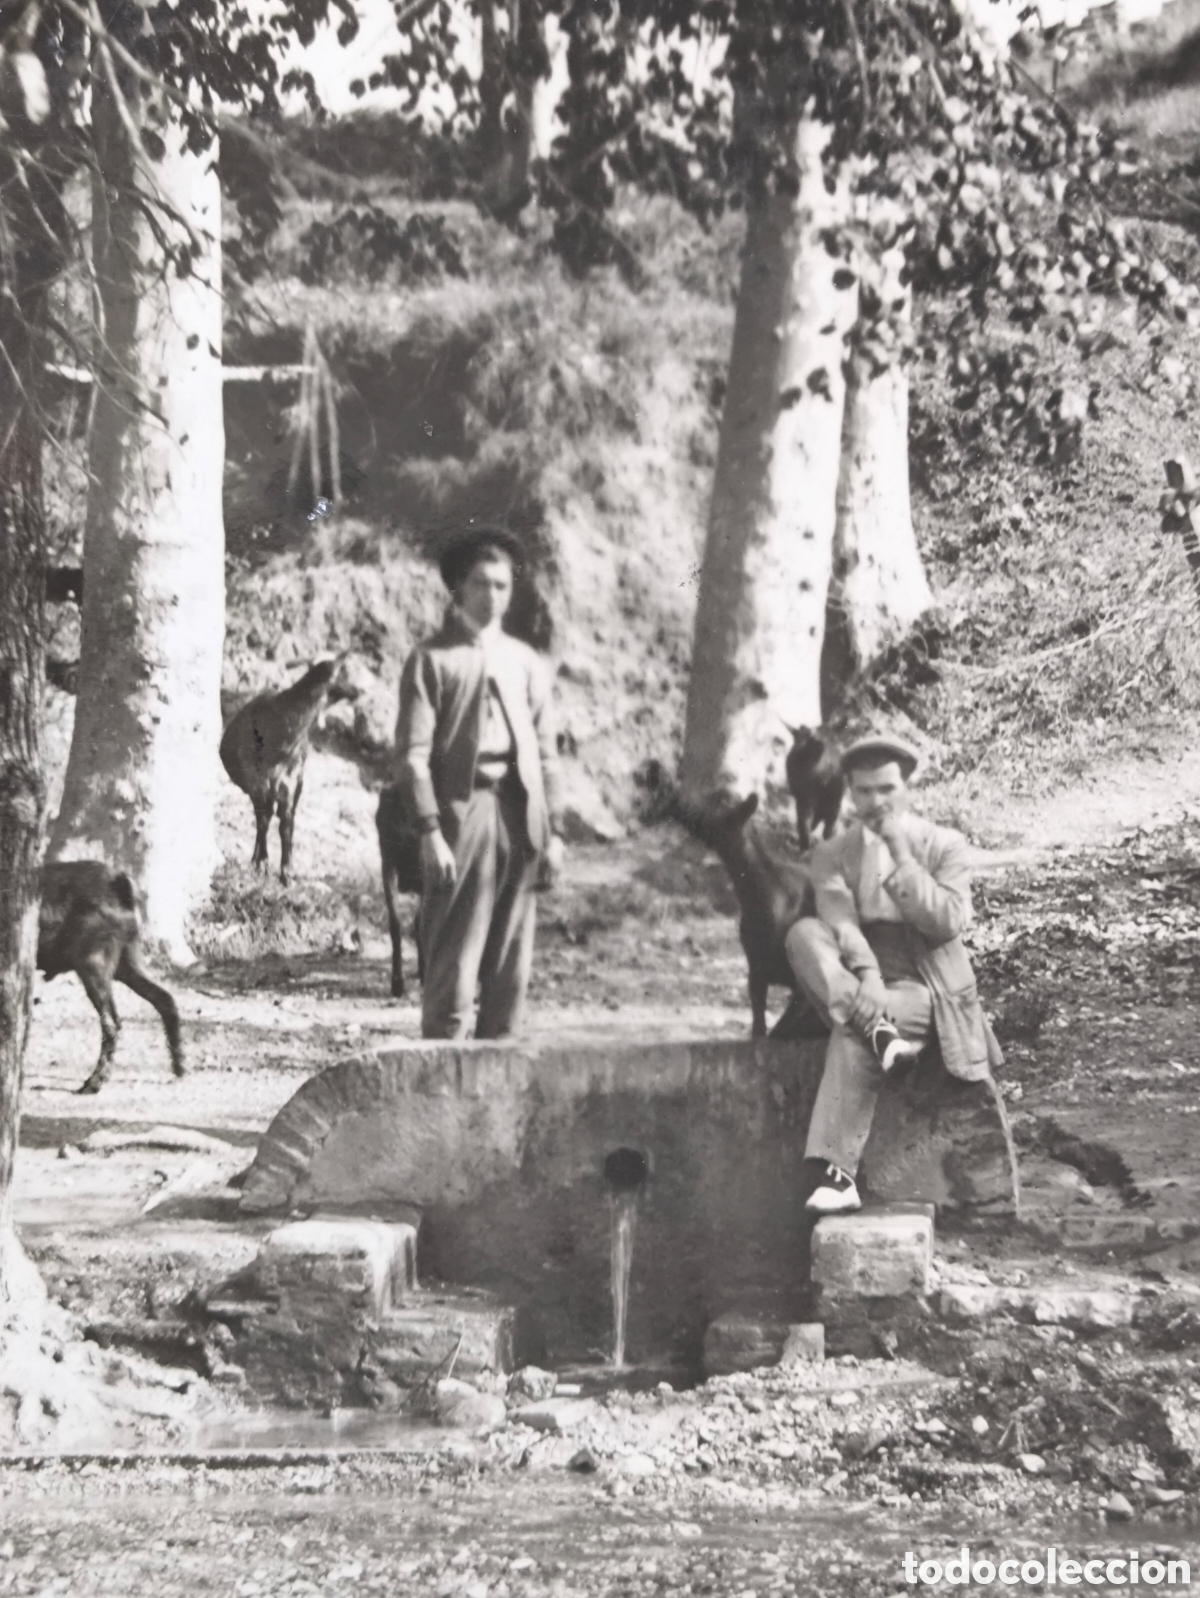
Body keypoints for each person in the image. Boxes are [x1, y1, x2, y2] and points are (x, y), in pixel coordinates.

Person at [784, 735, 1002, 1215]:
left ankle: (837, 1176)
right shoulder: (834, 851)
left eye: (886, 789)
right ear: (849, 792)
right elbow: (838, 921)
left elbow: (946, 921)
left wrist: (901, 853)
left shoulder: (943, 845)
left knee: (852, 1038)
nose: (875, 802)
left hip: (928, 985)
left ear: (908, 787)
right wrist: (868, 979)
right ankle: (879, 1030)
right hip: (857, 974)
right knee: (803, 933)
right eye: (863, 792)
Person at [394, 527, 565, 1040]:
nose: (493, 596)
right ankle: (441, 1080)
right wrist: (429, 831)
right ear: (458, 591)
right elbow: (411, 756)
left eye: (502, 586)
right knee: (454, 952)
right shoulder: (432, 660)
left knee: (511, 958)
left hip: (520, 814)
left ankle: (498, 1088)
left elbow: (549, 757)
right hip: (461, 817)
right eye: (481, 584)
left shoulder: (526, 661)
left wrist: (554, 834)